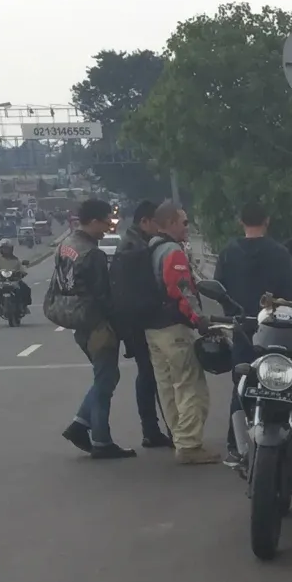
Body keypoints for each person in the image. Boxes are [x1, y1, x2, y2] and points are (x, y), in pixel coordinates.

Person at [113, 199, 220, 464]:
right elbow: (180, 290)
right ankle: (190, 445)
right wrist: (199, 320)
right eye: (184, 222)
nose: (187, 226)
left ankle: (179, 437)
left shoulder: (149, 247)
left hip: (152, 330)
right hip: (173, 329)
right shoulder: (172, 251)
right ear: (170, 222)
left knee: (167, 388)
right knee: (191, 386)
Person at [213, 204, 292, 462]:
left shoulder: (229, 252)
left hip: (243, 328)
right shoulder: (280, 253)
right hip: (276, 328)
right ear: (267, 220)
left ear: (240, 220)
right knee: (286, 381)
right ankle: (288, 436)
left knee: (241, 383)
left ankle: (237, 445)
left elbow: (220, 290)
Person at [48, 199, 135, 459]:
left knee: (106, 377)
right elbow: (104, 296)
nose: (108, 225)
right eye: (106, 220)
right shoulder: (92, 254)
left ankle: (80, 424)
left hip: (76, 320)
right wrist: (122, 325)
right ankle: (101, 440)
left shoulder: (65, 246)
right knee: (106, 379)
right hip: (97, 323)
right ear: (94, 221)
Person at [111, 202, 171, 449]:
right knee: (150, 375)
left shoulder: (133, 243)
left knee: (149, 375)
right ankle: (152, 429)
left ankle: (152, 428)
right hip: (140, 322)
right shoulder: (134, 249)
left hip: (132, 321)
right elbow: (139, 290)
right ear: (145, 221)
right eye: (157, 223)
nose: (159, 229)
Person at [0, 238, 31, 311]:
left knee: (26, 289)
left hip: (15, 280)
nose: (6, 250)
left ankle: (24, 306)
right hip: (3, 281)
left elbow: (22, 268)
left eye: (7, 248)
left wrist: (22, 272)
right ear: (0, 250)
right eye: (4, 249)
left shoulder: (16, 260)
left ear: (11, 249)